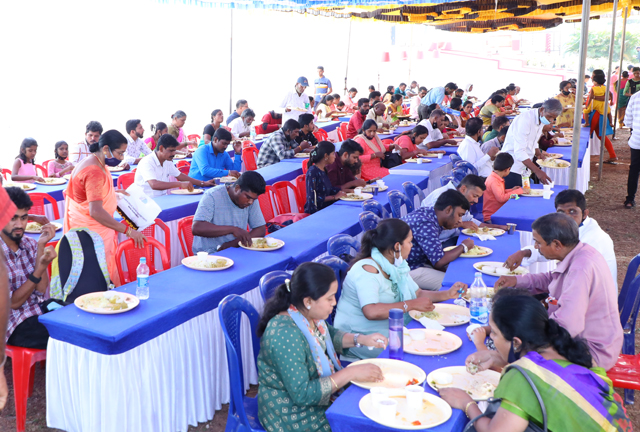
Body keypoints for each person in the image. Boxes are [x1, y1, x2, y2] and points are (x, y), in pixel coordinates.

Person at [439, 295, 631, 432]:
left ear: (516, 342)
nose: (492, 337)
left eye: (495, 333)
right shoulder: (565, 351)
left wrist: (466, 403)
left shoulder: (522, 375)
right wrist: (498, 357)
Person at [257, 262, 387, 432]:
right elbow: (302, 394)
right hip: (290, 413)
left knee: (373, 400)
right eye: (329, 297)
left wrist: (361, 339)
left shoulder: (305, 315)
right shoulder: (286, 335)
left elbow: (330, 336)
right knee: (363, 419)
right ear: (308, 301)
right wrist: (350, 372)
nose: (334, 302)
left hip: (310, 399)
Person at [496, 213, 622, 370]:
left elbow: (568, 325)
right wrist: (517, 281)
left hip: (591, 352)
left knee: (514, 352)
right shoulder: (581, 252)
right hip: (589, 342)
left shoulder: (581, 268)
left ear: (556, 244)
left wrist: (528, 333)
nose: (536, 247)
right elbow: (552, 278)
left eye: (538, 242)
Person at [334, 219, 468, 360]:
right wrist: (410, 305)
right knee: (421, 347)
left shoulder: (395, 264)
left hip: (386, 328)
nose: (411, 246)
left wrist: (447, 294)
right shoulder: (367, 270)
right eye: (410, 242)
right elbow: (371, 311)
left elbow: (418, 293)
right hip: (361, 337)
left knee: (431, 340)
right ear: (397, 246)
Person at [64, 130, 146, 286]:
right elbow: (95, 211)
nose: (122, 158)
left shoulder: (93, 160)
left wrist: (112, 192)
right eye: (120, 153)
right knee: (95, 278)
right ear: (106, 149)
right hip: (90, 234)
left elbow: (89, 194)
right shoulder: (94, 170)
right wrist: (128, 231)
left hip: (88, 231)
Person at [505, 189, 616, 286]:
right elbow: (549, 249)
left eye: (572, 212)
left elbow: (571, 286)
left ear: (585, 213)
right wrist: (524, 253)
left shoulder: (592, 240)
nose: (566, 217)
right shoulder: (569, 231)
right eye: (561, 212)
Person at [2, 187, 57, 349]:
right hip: (11, 324)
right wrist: (40, 268)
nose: (20, 224)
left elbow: (41, 290)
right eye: (13, 218)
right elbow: (14, 303)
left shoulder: (30, 244)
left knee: (80, 318)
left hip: (36, 310)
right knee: (68, 336)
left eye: (24, 218)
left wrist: (41, 246)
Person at [403, 190, 472, 290]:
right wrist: (463, 246)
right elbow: (438, 261)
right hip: (405, 269)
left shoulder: (428, 214)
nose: (460, 221)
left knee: (458, 271)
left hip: (417, 263)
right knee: (454, 285)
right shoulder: (426, 223)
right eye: (459, 215)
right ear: (448, 210)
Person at [192, 171, 266, 253]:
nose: (250, 202)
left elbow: (260, 229)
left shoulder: (250, 199)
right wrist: (233, 230)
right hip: (208, 255)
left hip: (236, 251)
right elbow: (197, 228)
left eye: (254, 199)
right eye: (248, 197)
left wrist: (233, 244)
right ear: (237, 188)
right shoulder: (212, 195)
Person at [421, 174, 504, 246]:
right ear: (463, 189)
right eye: (475, 196)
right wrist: (461, 224)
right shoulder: (441, 197)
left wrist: (498, 227)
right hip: (439, 242)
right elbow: (430, 227)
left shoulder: (461, 199)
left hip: (453, 237)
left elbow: (469, 221)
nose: (476, 201)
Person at [500, 98, 560, 188]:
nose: (551, 120)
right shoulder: (525, 120)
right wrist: (537, 171)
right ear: (542, 110)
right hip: (512, 167)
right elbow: (519, 152)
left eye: (553, 118)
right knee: (514, 198)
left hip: (524, 168)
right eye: (549, 116)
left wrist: (538, 153)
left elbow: (533, 140)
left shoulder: (541, 119)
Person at [135, 134, 216, 197]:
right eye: (171, 151)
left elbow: (180, 176)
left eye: (174, 150)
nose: (173, 154)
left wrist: (203, 183)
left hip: (162, 198)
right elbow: (154, 184)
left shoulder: (167, 160)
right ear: (161, 148)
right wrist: (179, 184)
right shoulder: (147, 162)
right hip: (145, 201)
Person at [584, 72, 617, 163]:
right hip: (601, 113)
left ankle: (579, 155)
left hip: (596, 113)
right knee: (601, 136)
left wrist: (592, 98)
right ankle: (612, 155)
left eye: (593, 76)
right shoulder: (603, 88)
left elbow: (606, 98)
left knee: (586, 133)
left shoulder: (597, 88)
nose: (591, 77)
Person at [304, 142, 346, 214]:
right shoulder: (313, 172)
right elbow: (312, 198)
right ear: (326, 156)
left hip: (327, 207)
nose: (335, 156)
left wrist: (346, 191)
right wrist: (334, 197)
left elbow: (328, 189)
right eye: (333, 154)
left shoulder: (324, 169)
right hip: (317, 211)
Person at [482, 153, 524, 221]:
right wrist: (520, 191)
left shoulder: (495, 177)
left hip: (497, 213)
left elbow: (499, 193)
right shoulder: (494, 180)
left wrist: (512, 190)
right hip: (492, 216)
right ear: (507, 169)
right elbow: (501, 198)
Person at [624, 89, 640, 208]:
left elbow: (627, 122)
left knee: (634, 170)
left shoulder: (634, 97)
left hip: (637, 140)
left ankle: (630, 199)